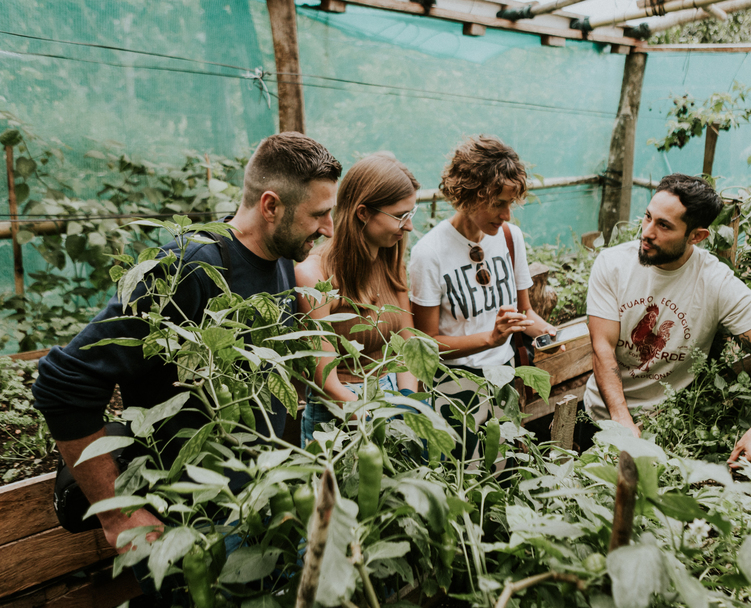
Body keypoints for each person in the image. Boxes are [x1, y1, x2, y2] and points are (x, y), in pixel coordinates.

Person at [31, 133, 341, 589]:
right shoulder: (188, 269)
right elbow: (62, 380)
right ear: (271, 205)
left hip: (250, 507)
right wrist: (118, 514)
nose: (330, 228)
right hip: (189, 525)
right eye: (319, 214)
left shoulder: (275, 257)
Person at [581, 173, 751, 467]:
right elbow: (602, 348)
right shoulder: (613, 264)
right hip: (602, 418)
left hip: (669, 429)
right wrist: (620, 421)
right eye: (648, 217)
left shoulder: (715, 282)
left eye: (664, 226)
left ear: (696, 236)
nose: (647, 232)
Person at [409, 135, 556, 458]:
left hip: (503, 375)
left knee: (501, 472)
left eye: (510, 204)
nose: (506, 215)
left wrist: (548, 334)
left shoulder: (509, 238)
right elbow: (427, 345)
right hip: (455, 386)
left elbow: (525, 312)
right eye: (498, 203)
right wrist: (490, 338)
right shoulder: (429, 254)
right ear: (469, 194)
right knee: (462, 476)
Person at [296, 153, 420, 443]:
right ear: (363, 213)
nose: (409, 226)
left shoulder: (391, 260)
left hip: (390, 401)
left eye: (410, 214)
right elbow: (326, 381)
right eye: (401, 216)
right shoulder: (313, 277)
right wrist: (379, 420)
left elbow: (407, 341)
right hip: (337, 415)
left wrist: (407, 403)